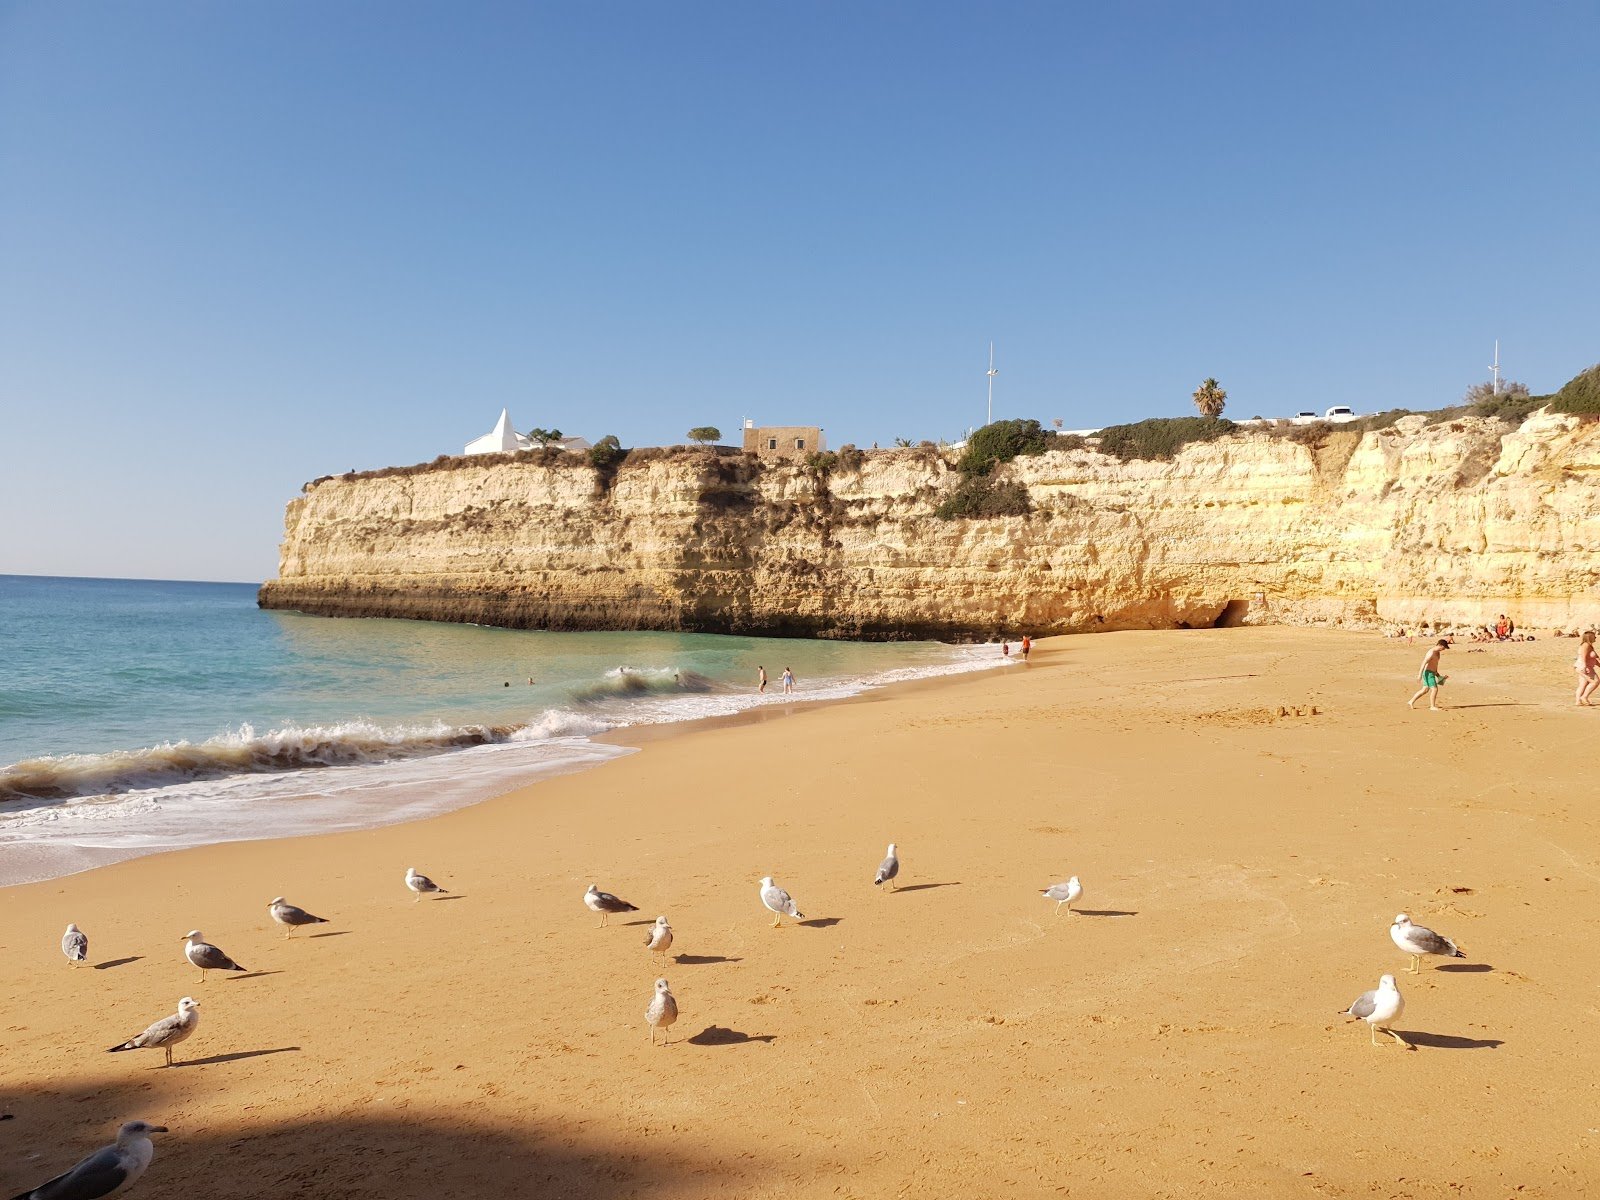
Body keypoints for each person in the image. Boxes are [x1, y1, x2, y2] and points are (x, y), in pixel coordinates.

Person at [1407, 639, 1451, 711]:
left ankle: (1411, 701)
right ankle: (1432, 706)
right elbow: (1423, 663)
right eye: (1443, 647)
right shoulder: (1431, 652)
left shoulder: (1437, 653)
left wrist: (1438, 675)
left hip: (1432, 673)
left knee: (1425, 690)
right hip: (1428, 673)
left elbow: (1434, 665)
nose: (1444, 649)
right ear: (1440, 645)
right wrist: (1419, 675)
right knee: (1434, 689)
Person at [1574, 631, 1599, 706]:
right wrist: (1585, 667)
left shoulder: (1588, 646)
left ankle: (1578, 701)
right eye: (1594, 636)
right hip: (1585, 667)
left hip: (1582, 666)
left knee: (1583, 684)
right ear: (1590, 637)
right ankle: (1584, 697)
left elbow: (1593, 659)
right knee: (1595, 681)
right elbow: (1583, 656)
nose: (1595, 637)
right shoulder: (1586, 645)